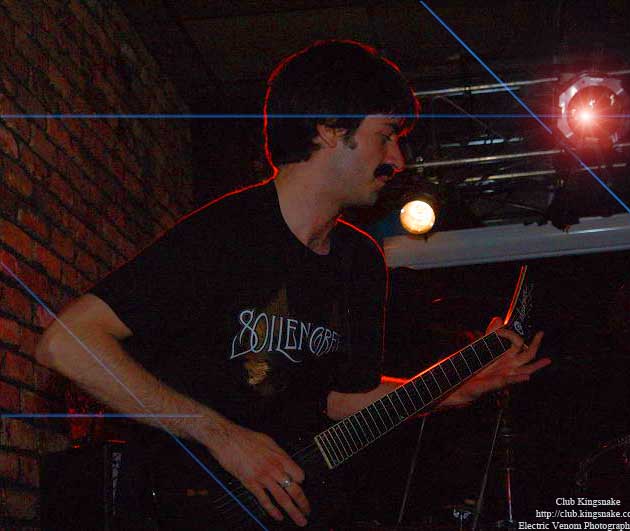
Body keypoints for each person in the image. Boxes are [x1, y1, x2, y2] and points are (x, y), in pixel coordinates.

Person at [35, 40, 548, 529]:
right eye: (386, 135)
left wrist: (450, 388)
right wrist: (224, 438)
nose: (398, 159)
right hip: (183, 506)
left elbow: (343, 401)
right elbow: (67, 342)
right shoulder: (225, 233)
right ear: (329, 130)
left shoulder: (360, 262)